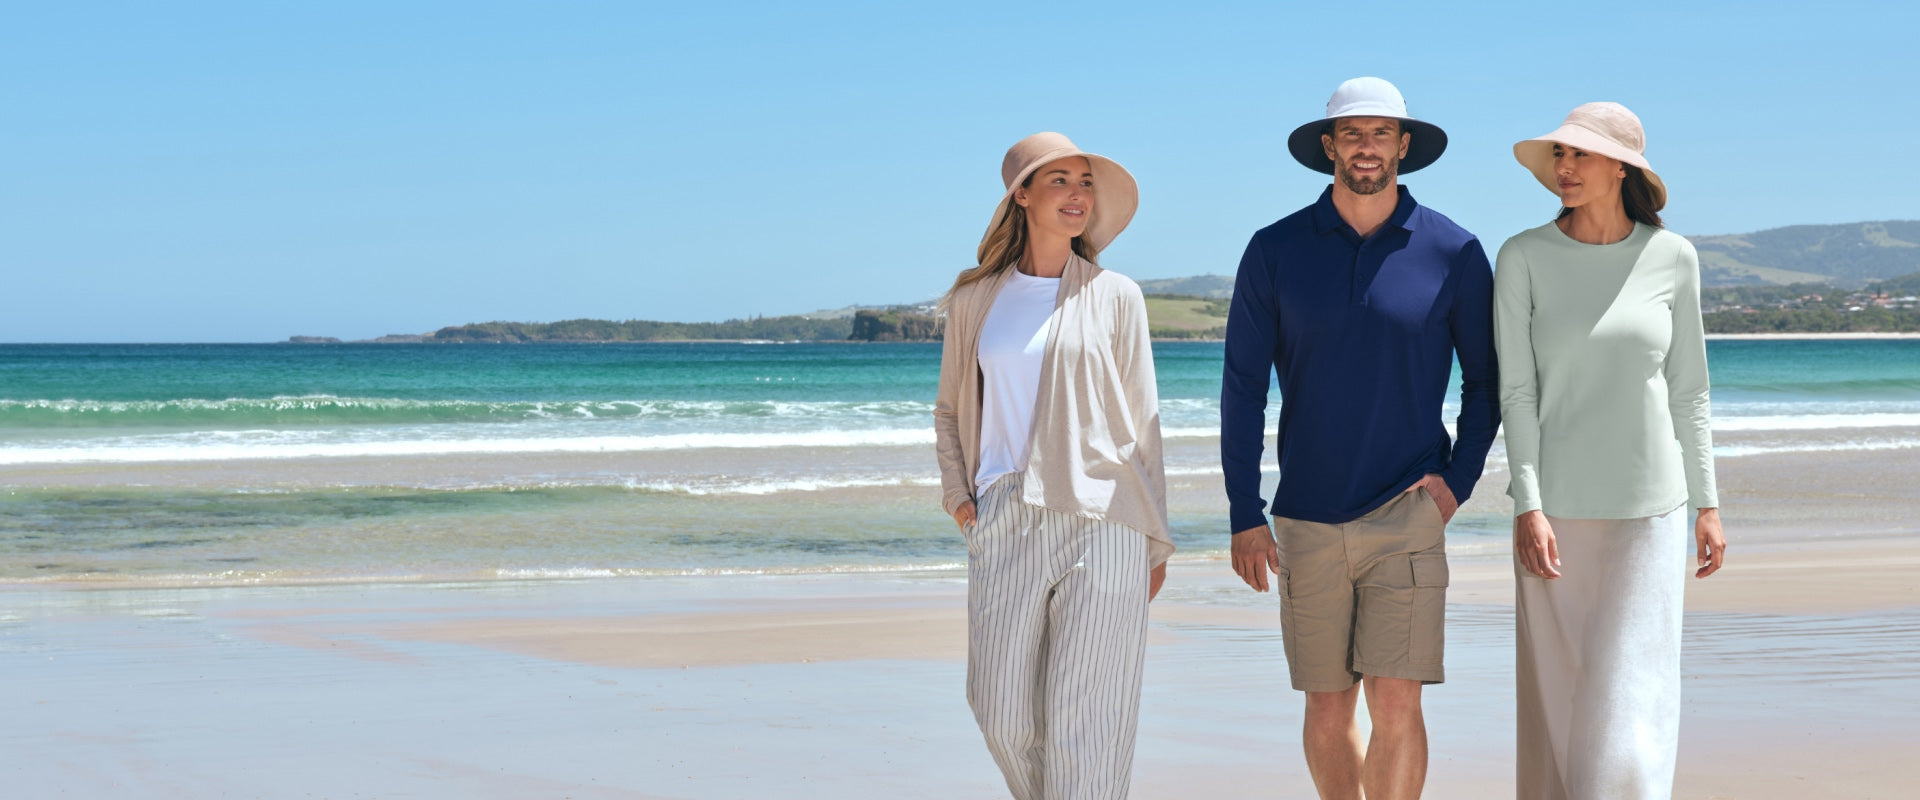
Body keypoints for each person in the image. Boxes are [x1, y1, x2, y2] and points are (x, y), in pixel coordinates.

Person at [1220, 77, 1500, 800]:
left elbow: (1487, 382)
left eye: (1380, 133)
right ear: (1329, 146)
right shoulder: (1274, 249)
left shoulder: (1455, 250)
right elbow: (1243, 388)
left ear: (1404, 146)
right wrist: (1245, 511)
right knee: (1326, 704)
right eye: (1352, 133)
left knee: (1399, 702)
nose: (1366, 147)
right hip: (1305, 516)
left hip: (1409, 510)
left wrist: (1458, 482)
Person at [1495, 102, 1727, 799]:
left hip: (1650, 512)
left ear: (1622, 168)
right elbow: (1517, 392)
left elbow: (1690, 391)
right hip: (1555, 516)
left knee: (1629, 704)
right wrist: (1529, 505)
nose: (1564, 167)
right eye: (1559, 154)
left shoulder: (1673, 257)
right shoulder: (1523, 257)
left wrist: (1708, 503)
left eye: (1581, 154)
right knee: (1561, 700)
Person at [933, 131, 1173, 800]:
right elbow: (949, 410)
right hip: (1003, 514)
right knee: (1001, 714)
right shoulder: (975, 300)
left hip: (1107, 518)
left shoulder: (1117, 295)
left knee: (1088, 721)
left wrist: (1155, 539)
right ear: (1022, 195)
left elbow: (1144, 422)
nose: (1076, 194)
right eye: (1059, 180)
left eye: (1085, 182)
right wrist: (960, 499)